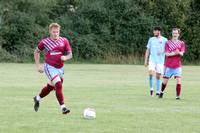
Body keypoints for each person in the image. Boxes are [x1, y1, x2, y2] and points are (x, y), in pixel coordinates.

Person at [33, 23, 72, 114]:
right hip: (49, 67)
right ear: (50, 31)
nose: (55, 34)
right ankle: (63, 107)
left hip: (60, 68)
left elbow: (70, 54)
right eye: (54, 32)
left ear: (59, 31)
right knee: (58, 84)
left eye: (57, 32)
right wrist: (38, 65)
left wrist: (65, 57)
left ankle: (37, 98)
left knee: (50, 87)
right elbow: (36, 52)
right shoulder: (45, 42)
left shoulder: (64, 40)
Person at [159, 28, 185, 100]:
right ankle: (161, 92)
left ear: (178, 34)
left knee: (178, 81)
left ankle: (177, 96)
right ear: (172, 34)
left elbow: (182, 53)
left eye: (176, 33)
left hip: (177, 66)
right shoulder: (168, 42)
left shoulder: (181, 43)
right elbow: (167, 54)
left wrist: (178, 52)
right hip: (169, 66)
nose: (175, 34)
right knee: (165, 82)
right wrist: (175, 53)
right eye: (173, 33)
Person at [144, 26, 168, 96]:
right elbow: (148, 50)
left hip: (160, 61)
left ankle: (157, 91)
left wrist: (162, 51)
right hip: (152, 60)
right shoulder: (151, 39)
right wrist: (146, 60)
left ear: (159, 31)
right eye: (153, 31)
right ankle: (151, 88)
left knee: (158, 76)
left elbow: (167, 50)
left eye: (155, 31)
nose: (154, 32)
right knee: (151, 73)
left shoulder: (164, 40)